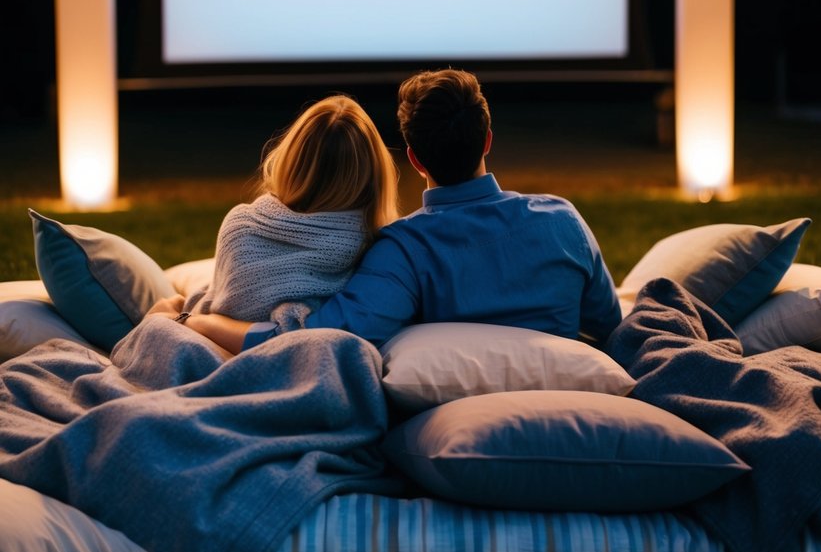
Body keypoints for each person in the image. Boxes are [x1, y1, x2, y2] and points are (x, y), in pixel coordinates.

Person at [153, 69, 620, 352]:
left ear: (413, 160)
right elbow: (609, 328)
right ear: (489, 140)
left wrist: (199, 322)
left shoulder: (405, 250)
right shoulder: (563, 221)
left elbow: (311, 340)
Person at [172, 95, 399, 324]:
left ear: (290, 159)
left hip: (205, 335)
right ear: (374, 175)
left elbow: (216, 300)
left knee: (165, 303)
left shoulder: (239, 226)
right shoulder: (375, 251)